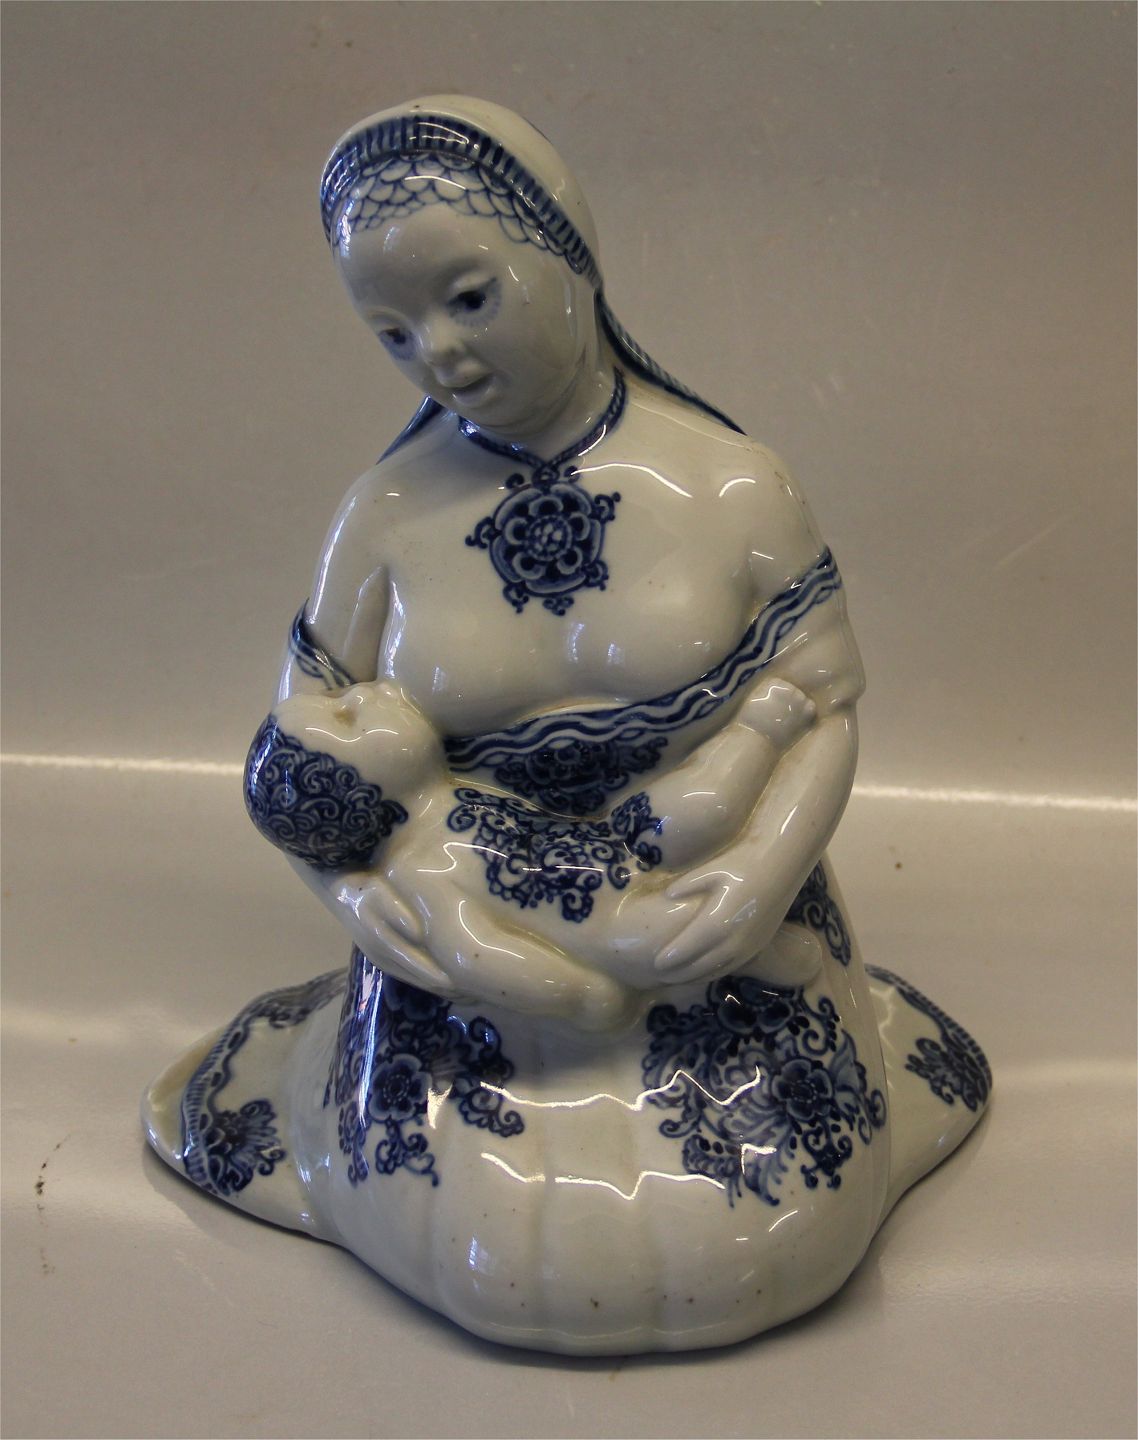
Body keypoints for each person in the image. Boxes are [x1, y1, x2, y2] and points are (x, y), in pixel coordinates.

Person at [144, 97, 990, 1354]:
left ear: (569, 256)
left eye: (468, 297)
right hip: (461, 972)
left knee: (774, 1224)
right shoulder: (381, 520)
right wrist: (356, 901)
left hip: (715, 918)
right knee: (493, 1245)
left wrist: (761, 878)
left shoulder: (731, 484)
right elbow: (299, 755)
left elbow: (822, 706)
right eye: (392, 330)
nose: (438, 352)